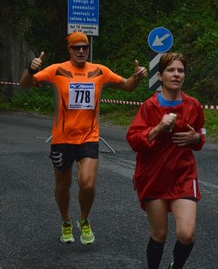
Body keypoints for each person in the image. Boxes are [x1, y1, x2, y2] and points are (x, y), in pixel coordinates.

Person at [20, 31, 147, 244]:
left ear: (88, 49)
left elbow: (126, 86)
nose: (81, 51)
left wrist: (137, 77)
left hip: (89, 137)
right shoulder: (56, 70)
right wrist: (31, 69)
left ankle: (84, 219)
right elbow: (25, 84)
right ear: (69, 50)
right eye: (76, 47)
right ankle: (66, 221)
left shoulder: (99, 71)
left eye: (84, 47)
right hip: (62, 139)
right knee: (63, 184)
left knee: (87, 184)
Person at [125, 52, 205, 269]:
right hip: (153, 175)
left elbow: (199, 137)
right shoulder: (149, 106)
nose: (176, 74)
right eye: (171, 70)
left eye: (180, 71)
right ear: (160, 76)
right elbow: (133, 140)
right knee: (159, 234)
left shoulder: (194, 106)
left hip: (183, 174)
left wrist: (196, 138)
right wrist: (158, 128)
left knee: (186, 234)